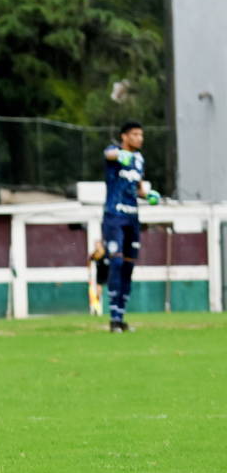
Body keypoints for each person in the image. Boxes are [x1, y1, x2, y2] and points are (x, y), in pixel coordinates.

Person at [103, 121, 160, 332]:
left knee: (128, 267)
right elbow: (108, 154)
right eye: (135, 134)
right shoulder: (114, 151)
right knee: (116, 263)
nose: (139, 138)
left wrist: (149, 195)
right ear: (124, 136)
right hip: (114, 216)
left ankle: (121, 317)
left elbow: (138, 188)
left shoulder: (139, 159)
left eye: (141, 135)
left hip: (132, 218)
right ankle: (113, 318)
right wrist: (120, 155)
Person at [88, 240, 109, 316]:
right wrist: (89, 274)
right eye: (95, 245)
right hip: (99, 276)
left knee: (112, 291)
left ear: (101, 245)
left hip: (108, 275)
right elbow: (89, 261)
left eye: (98, 245)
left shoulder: (106, 253)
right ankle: (97, 308)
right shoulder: (94, 255)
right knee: (98, 293)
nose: (97, 246)